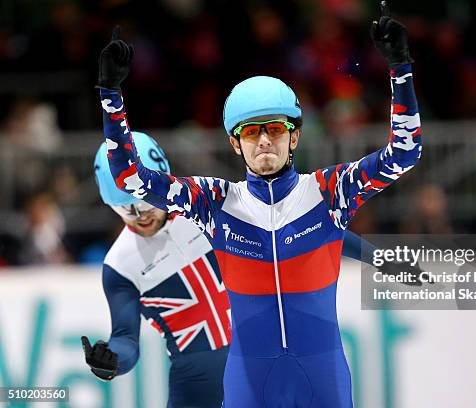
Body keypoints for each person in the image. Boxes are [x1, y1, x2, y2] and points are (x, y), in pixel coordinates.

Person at [96, 1, 422, 405]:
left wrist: (400, 68)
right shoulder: (215, 203)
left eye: (274, 129)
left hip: (321, 374)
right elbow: (130, 177)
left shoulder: (328, 191)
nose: (264, 140)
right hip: (250, 379)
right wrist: (111, 94)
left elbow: (404, 153)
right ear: (235, 143)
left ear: (295, 136)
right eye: (251, 132)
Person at [81, 132, 386, 408]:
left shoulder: (205, 208)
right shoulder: (119, 265)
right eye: (125, 210)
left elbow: (314, 230)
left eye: (146, 205)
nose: (140, 216)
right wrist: (111, 361)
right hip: (196, 385)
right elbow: (126, 340)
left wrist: (383, 259)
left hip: (257, 364)